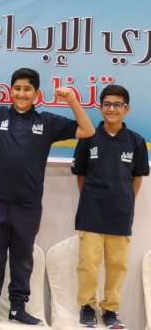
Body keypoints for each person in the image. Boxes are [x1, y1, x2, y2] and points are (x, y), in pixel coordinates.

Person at [0, 68, 95, 325]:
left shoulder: (47, 121)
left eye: (27, 89)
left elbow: (87, 130)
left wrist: (72, 100)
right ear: (10, 91)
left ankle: (17, 308)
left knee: (23, 258)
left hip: (28, 203)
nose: (21, 93)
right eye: (17, 88)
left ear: (36, 93)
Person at [72, 85, 149, 328]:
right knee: (88, 265)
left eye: (117, 104)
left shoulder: (136, 141)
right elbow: (81, 174)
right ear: (100, 107)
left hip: (120, 216)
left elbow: (137, 178)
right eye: (107, 104)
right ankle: (87, 307)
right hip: (91, 213)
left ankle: (110, 311)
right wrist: (91, 199)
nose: (112, 109)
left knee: (117, 266)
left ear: (127, 109)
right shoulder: (88, 137)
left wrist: (126, 202)